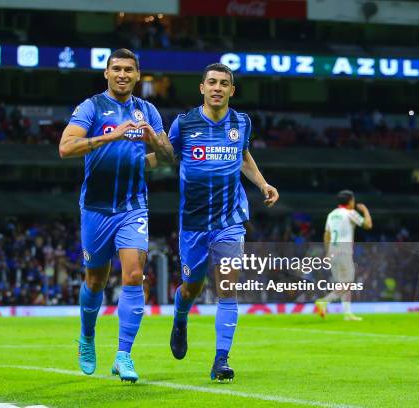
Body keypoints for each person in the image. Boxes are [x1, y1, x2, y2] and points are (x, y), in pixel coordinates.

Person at [149, 63, 279, 381]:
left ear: (231, 90)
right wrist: (127, 166)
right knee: (192, 287)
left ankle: (221, 360)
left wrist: (262, 184)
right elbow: (164, 156)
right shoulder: (185, 122)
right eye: (212, 82)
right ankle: (180, 316)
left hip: (230, 219)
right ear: (202, 88)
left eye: (224, 83)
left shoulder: (242, 122)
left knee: (227, 289)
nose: (218, 87)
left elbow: (243, 156)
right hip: (193, 222)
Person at [59, 48, 170, 383]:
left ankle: (124, 355)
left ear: (138, 76)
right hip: (95, 207)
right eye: (117, 69)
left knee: (134, 275)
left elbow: (167, 158)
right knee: (95, 279)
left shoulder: (148, 110)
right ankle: (88, 337)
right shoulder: (91, 107)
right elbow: (65, 147)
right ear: (106, 73)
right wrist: (112, 134)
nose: (123, 74)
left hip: (133, 206)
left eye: (129, 70)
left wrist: (155, 141)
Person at [316, 190, 372, 321]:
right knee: (348, 282)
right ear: (350, 201)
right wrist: (365, 210)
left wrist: (327, 252)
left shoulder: (331, 214)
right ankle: (324, 301)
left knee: (341, 283)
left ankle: (347, 314)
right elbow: (368, 225)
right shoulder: (350, 213)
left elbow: (327, 234)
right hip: (344, 251)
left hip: (332, 251)